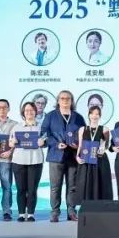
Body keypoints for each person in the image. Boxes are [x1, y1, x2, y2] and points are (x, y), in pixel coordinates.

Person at [41, 90, 85, 222]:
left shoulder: (78, 117)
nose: (65, 100)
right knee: (55, 187)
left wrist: (79, 145)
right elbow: (44, 134)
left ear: (72, 101)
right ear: (58, 101)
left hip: (73, 156)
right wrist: (55, 144)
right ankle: (55, 212)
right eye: (62, 98)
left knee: (72, 187)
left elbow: (84, 135)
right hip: (56, 155)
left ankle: (71, 212)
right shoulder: (50, 116)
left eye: (68, 98)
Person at [9, 101, 45, 222]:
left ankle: (30, 214)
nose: (29, 112)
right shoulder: (17, 127)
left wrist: (43, 142)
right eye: (27, 110)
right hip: (19, 161)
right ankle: (21, 213)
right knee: (20, 189)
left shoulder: (41, 127)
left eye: (31, 110)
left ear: (35, 112)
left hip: (35, 161)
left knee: (32, 189)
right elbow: (10, 143)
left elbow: (46, 141)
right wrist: (12, 142)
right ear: (23, 113)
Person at [75, 105, 113, 200]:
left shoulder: (105, 129)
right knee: (85, 184)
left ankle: (101, 206)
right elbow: (80, 145)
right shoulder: (82, 129)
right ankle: (86, 206)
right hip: (86, 160)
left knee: (100, 184)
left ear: (100, 116)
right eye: (92, 113)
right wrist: (77, 157)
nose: (94, 116)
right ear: (89, 115)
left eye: (97, 114)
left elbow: (106, 145)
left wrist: (102, 149)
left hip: (100, 160)